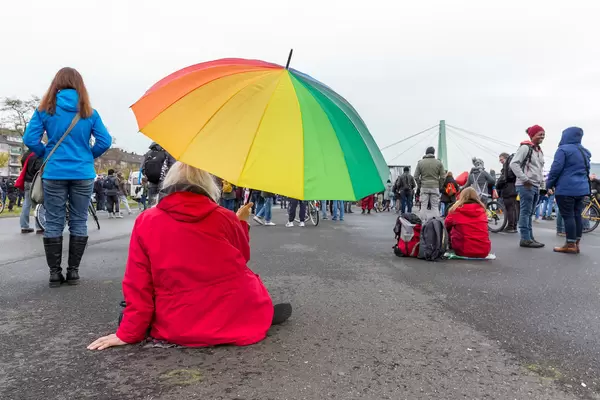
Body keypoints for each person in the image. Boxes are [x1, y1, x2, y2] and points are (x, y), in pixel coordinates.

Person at [87, 162, 292, 350]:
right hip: (231, 309)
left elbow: (138, 283)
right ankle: (254, 314)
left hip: (179, 322)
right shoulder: (224, 217)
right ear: (207, 185)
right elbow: (242, 256)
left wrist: (129, 333)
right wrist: (240, 223)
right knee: (243, 288)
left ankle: (247, 316)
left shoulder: (146, 220)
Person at [23, 67, 111, 287]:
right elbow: (105, 141)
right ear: (79, 85)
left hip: (54, 172)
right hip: (82, 172)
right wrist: (87, 156)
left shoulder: (45, 109)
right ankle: (73, 272)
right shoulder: (89, 112)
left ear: (57, 84)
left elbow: (30, 138)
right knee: (79, 220)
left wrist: (46, 153)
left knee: (53, 221)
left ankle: (54, 273)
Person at [546, 127, 591, 254]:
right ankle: (576, 243)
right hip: (581, 189)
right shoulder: (585, 152)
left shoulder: (563, 149)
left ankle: (570, 244)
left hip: (566, 188)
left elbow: (556, 169)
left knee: (568, 216)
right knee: (577, 215)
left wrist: (549, 184)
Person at [510, 125, 546, 249]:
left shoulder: (538, 151)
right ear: (532, 135)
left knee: (529, 212)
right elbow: (514, 164)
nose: (542, 136)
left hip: (534, 185)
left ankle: (529, 237)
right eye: (539, 134)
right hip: (526, 185)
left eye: (543, 134)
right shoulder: (526, 148)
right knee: (526, 212)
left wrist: (542, 184)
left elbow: (539, 169)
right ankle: (525, 238)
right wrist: (524, 179)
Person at [444, 187, 492, 258]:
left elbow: (446, 225)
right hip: (484, 251)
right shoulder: (483, 210)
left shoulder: (456, 210)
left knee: (453, 226)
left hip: (463, 250)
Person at [414, 147, 445, 219]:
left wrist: (420, 185)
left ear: (426, 153)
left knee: (423, 207)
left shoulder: (420, 163)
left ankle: (422, 223)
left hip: (424, 187)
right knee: (435, 206)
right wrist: (439, 186)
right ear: (434, 153)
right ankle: (436, 224)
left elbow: (416, 176)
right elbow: (443, 177)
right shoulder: (439, 163)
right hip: (435, 187)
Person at [142, 142, 175, 207]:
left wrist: (149, 176)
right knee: (163, 200)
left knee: (151, 201)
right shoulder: (167, 152)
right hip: (164, 180)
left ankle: (150, 214)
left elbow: (143, 167)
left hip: (151, 180)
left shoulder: (149, 153)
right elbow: (173, 166)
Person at [19, 149, 44, 234]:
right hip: (35, 181)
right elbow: (38, 169)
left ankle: (24, 226)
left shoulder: (26, 154)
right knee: (39, 202)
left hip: (26, 181)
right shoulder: (38, 154)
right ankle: (40, 227)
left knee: (26, 203)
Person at [496, 152, 519, 233]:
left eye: (501, 159)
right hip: (514, 189)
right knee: (514, 208)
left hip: (508, 189)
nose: (500, 161)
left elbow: (503, 179)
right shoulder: (513, 165)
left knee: (509, 208)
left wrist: (498, 185)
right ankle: (514, 226)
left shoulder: (507, 167)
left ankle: (510, 226)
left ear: (506, 158)